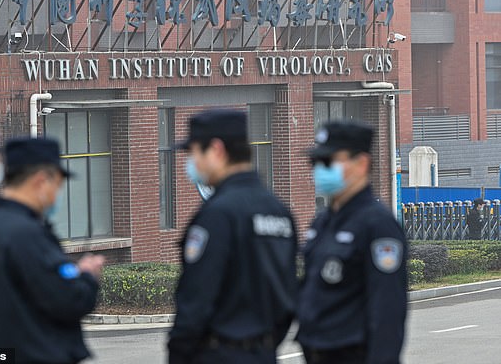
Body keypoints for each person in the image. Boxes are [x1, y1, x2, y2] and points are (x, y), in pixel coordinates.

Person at [0, 138, 105, 364]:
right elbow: (68, 300)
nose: (56, 195)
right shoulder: (28, 235)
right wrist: (87, 277)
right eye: (57, 186)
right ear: (41, 181)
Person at [168, 109, 298, 364]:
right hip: (264, 354)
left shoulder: (217, 215)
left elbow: (195, 302)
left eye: (193, 152)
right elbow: (287, 297)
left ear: (216, 150)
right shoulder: (279, 210)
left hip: (218, 354)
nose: (191, 162)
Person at [297, 121, 407, 364]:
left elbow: (387, 310)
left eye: (328, 162)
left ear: (361, 163)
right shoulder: (323, 223)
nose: (319, 170)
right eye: (315, 162)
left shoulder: (377, 225)